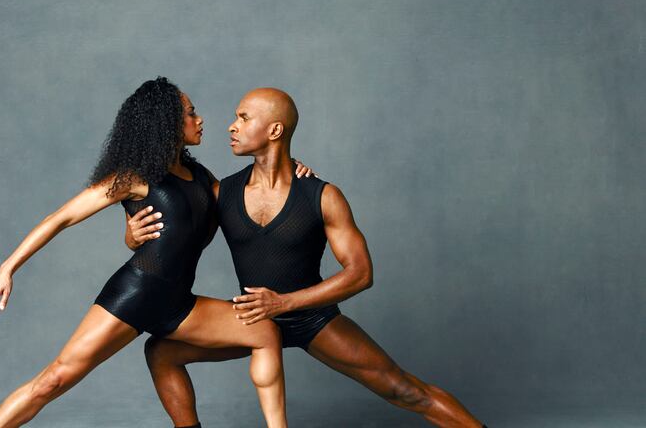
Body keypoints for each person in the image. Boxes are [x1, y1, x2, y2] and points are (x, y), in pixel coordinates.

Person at [127, 88, 488, 427]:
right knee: (161, 351)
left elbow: (361, 274)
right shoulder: (222, 192)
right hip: (252, 319)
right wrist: (132, 236)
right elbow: (179, 241)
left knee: (404, 390)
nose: (231, 126)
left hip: (311, 318)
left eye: (244, 117)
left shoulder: (322, 195)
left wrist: (283, 304)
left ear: (275, 130)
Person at [0, 78, 315, 428]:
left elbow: (247, 200)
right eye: (190, 113)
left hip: (179, 306)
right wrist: (8, 268)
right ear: (167, 123)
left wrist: (287, 171)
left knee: (264, 332)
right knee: (53, 380)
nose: (200, 120)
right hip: (136, 296)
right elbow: (61, 218)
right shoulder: (135, 178)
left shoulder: (201, 177)